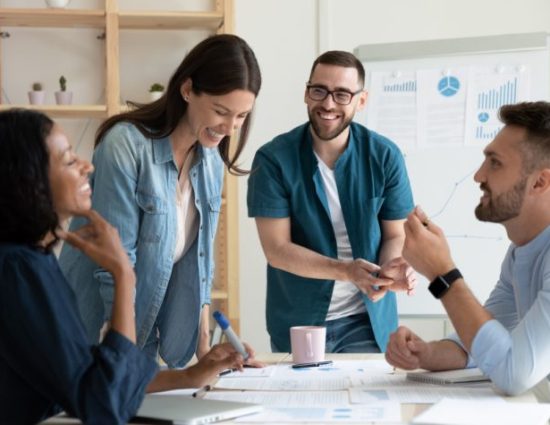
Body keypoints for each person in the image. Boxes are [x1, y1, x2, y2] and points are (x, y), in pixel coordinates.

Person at [0, 109, 255, 424]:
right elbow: (102, 402)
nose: (87, 167)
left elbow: (90, 375)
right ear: (30, 180)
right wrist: (124, 275)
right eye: (68, 160)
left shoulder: (28, 262)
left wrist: (190, 376)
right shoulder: (19, 271)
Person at [59, 34, 261, 367]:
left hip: (140, 339)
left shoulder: (209, 161)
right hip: (93, 334)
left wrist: (205, 352)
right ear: (187, 90)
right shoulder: (125, 146)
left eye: (241, 116)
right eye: (221, 111)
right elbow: (115, 265)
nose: (229, 128)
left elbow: (201, 265)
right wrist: (124, 361)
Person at [247, 50, 416, 354]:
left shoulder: (385, 156)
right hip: (299, 321)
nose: (328, 103)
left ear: (360, 101)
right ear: (306, 93)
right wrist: (347, 271)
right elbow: (277, 250)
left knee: (367, 401)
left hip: (366, 319)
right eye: (319, 91)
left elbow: (396, 234)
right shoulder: (273, 159)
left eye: (342, 94)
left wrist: (389, 268)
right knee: (302, 401)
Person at [385, 101, 550, 397]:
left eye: (495, 163)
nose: (478, 175)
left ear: (540, 182)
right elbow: (483, 343)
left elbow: (514, 373)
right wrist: (426, 353)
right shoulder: (521, 252)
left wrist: (442, 274)